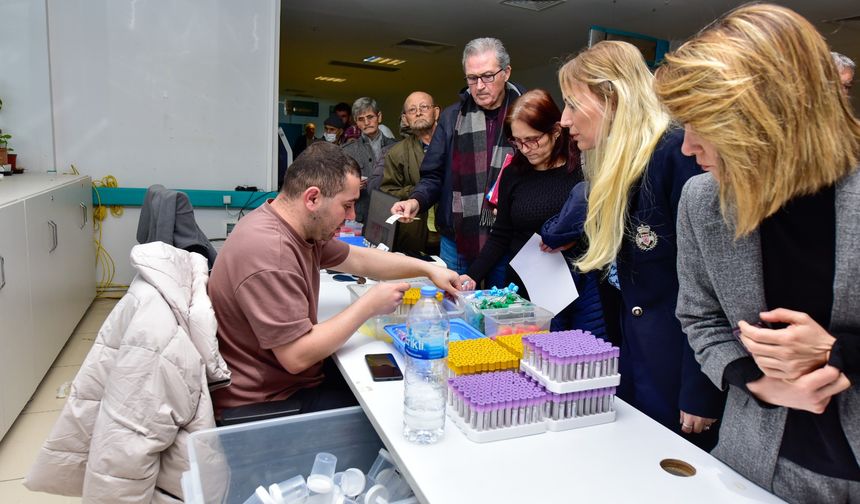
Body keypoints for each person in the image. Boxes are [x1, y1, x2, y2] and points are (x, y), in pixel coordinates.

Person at [656, 4, 860, 500]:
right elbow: (699, 318)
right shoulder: (702, 201)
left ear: (767, 117)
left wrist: (839, 352)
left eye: (702, 123)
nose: (687, 148)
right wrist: (755, 381)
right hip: (753, 466)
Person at [539, 40, 725, 450]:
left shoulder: (675, 156)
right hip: (635, 361)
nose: (565, 120)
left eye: (572, 104)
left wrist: (702, 390)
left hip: (678, 373)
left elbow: (711, 286)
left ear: (612, 98)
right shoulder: (619, 167)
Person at [209, 142, 461, 417]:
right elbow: (296, 356)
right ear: (313, 198)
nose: (352, 216)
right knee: (391, 407)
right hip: (270, 400)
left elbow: (360, 259)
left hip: (288, 381)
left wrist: (428, 269)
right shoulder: (271, 251)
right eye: (347, 205)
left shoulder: (294, 225)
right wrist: (369, 305)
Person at [391, 37, 525, 288]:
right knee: (454, 311)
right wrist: (416, 200)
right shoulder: (453, 116)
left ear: (506, 73)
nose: (480, 86)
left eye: (487, 76)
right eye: (472, 78)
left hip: (509, 240)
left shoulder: (526, 111)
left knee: (502, 319)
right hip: (457, 239)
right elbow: (433, 175)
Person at [458, 89, 581, 295]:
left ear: (556, 130)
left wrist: (576, 239)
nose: (525, 149)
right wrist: (472, 275)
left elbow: (601, 230)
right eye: (517, 141)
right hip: (522, 285)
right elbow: (501, 234)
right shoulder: (513, 174)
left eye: (532, 139)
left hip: (573, 285)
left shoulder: (581, 171)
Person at [380, 91, 441, 255]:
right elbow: (388, 192)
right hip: (414, 233)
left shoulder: (453, 144)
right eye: (412, 110)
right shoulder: (397, 153)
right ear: (405, 118)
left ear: (436, 112)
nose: (419, 112)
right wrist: (417, 190)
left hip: (450, 236)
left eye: (424, 107)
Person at [342, 97, 397, 224]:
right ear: (356, 122)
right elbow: (336, 185)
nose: (366, 122)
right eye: (361, 119)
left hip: (390, 213)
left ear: (379, 117)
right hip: (360, 216)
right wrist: (350, 185)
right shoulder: (347, 151)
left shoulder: (396, 147)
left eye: (370, 117)